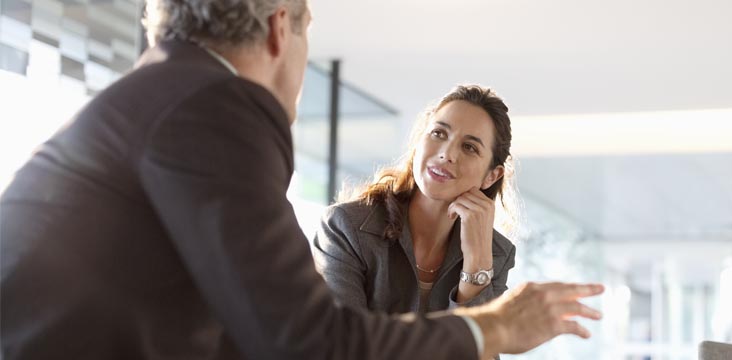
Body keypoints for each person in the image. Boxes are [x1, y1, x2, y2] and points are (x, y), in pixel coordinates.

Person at [0, 0, 603, 359]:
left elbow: (250, 334)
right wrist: (494, 324)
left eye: (470, 147)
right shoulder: (212, 108)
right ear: (279, 27)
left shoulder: (166, 95)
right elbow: (308, 341)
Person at [312, 85, 517, 318]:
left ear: (492, 176)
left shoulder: (495, 254)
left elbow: (482, 351)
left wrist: (477, 267)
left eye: (469, 147)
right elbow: (342, 344)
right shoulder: (345, 227)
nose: (447, 153)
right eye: (439, 133)